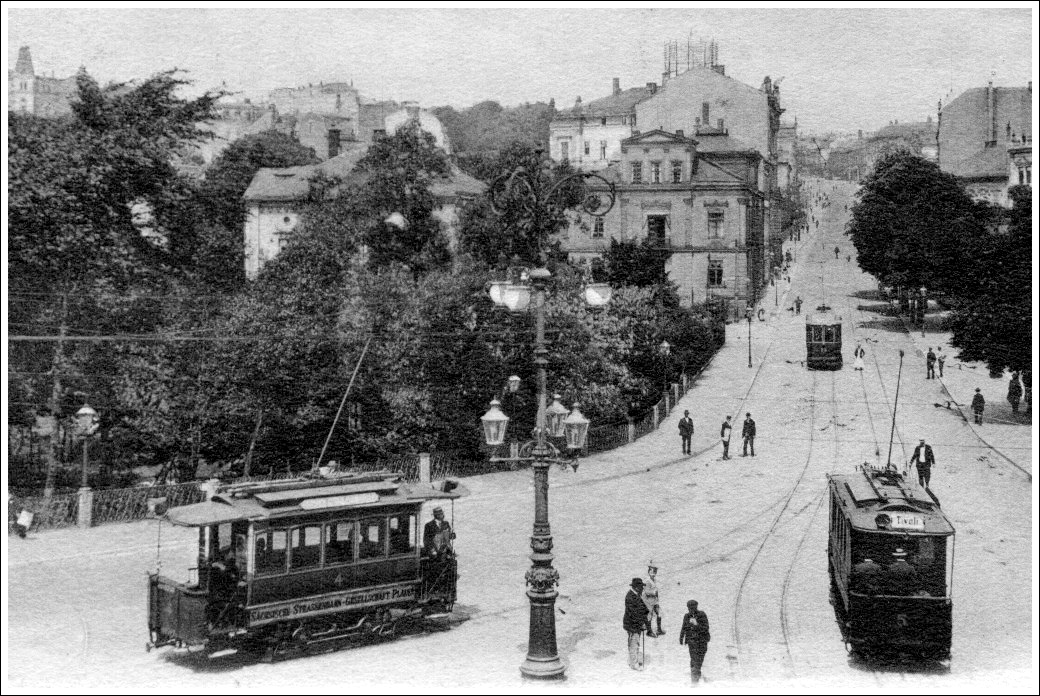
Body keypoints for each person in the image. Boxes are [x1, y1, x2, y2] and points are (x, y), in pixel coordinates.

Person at [678, 599, 711, 683]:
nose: (691, 609)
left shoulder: (702, 615)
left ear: (696, 607)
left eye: (693, 607)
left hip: (702, 641)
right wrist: (681, 637)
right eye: (689, 608)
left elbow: (705, 628)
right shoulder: (687, 616)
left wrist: (696, 625)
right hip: (691, 641)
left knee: (699, 659)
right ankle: (694, 678)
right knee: (693, 659)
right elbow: (684, 627)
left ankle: (697, 673)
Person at [624, 577, 650, 670]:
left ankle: (634, 661)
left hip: (636, 624)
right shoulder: (630, 596)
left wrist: (645, 613)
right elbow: (633, 613)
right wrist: (641, 623)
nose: (642, 588)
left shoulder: (636, 595)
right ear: (636, 587)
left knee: (636, 642)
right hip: (632, 624)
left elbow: (642, 607)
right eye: (641, 587)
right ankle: (633, 664)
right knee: (633, 644)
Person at [643, 563, 665, 637]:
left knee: (659, 613)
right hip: (648, 601)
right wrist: (653, 592)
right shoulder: (647, 581)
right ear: (649, 572)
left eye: (655, 571)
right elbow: (646, 592)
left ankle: (659, 630)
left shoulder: (654, 580)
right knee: (649, 616)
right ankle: (649, 631)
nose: (654, 573)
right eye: (652, 571)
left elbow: (656, 590)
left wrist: (657, 597)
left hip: (655, 601)